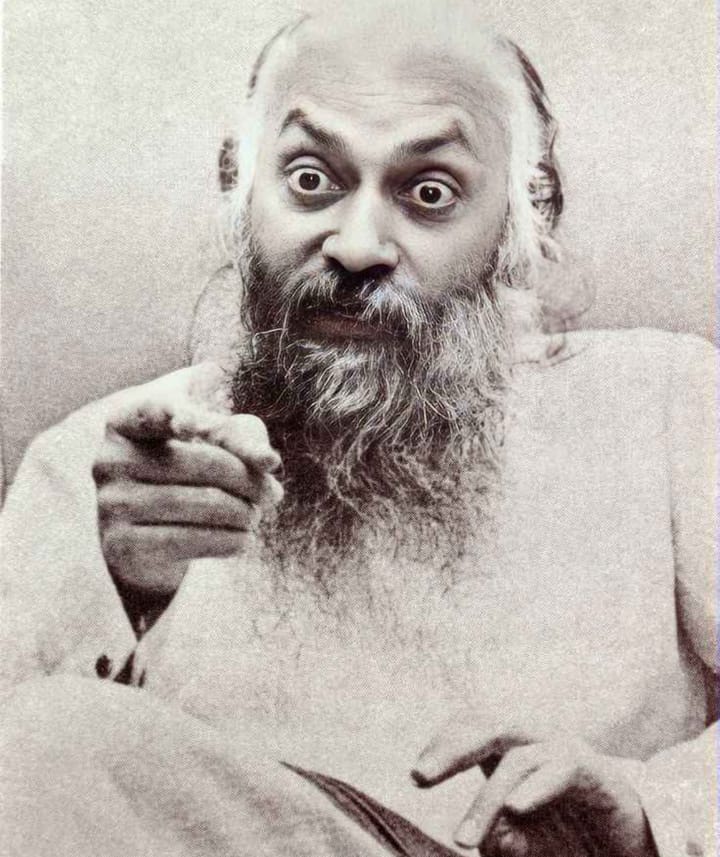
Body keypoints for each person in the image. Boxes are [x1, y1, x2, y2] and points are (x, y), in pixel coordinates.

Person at [1, 3, 715, 856]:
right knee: (57, 736)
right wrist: (125, 591)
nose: (359, 244)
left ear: (524, 228)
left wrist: (648, 811)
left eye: (429, 193)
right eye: (311, 180)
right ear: (239, 196)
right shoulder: (103, 467)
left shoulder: (664, 402)